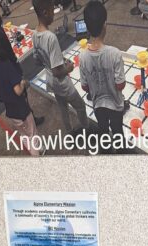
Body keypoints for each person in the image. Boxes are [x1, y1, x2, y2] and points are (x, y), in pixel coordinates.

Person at [0, 3, 45, 153]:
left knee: (25, 135)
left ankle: (33, 150)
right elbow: (18, 90)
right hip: (21, 109)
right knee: (32, 134)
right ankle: (38, 153)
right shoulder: (6, 65)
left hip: (11, 113)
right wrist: (23, 82)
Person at [32, 0, 91, 132]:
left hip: (51, 81)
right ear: (45, 12)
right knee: (80, 106)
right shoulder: (50, 38)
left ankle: (69, 132)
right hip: (62, 83)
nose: (54, 12)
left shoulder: (35, 34)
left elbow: (36, 59)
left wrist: (50, 61)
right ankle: (87, 128)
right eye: (53, 9)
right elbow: (58, 71)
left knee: (63, 108)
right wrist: (69, 68)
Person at [79, 1, 126, 152]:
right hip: (116, 104)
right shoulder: (115, 54)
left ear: (86, 27)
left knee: (103, 129)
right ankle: (121, 151)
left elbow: (85, 87)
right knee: (118, 130)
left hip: (98, 104)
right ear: (105, 24)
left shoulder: (83, 56)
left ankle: (105, 150)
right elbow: (120, 85)